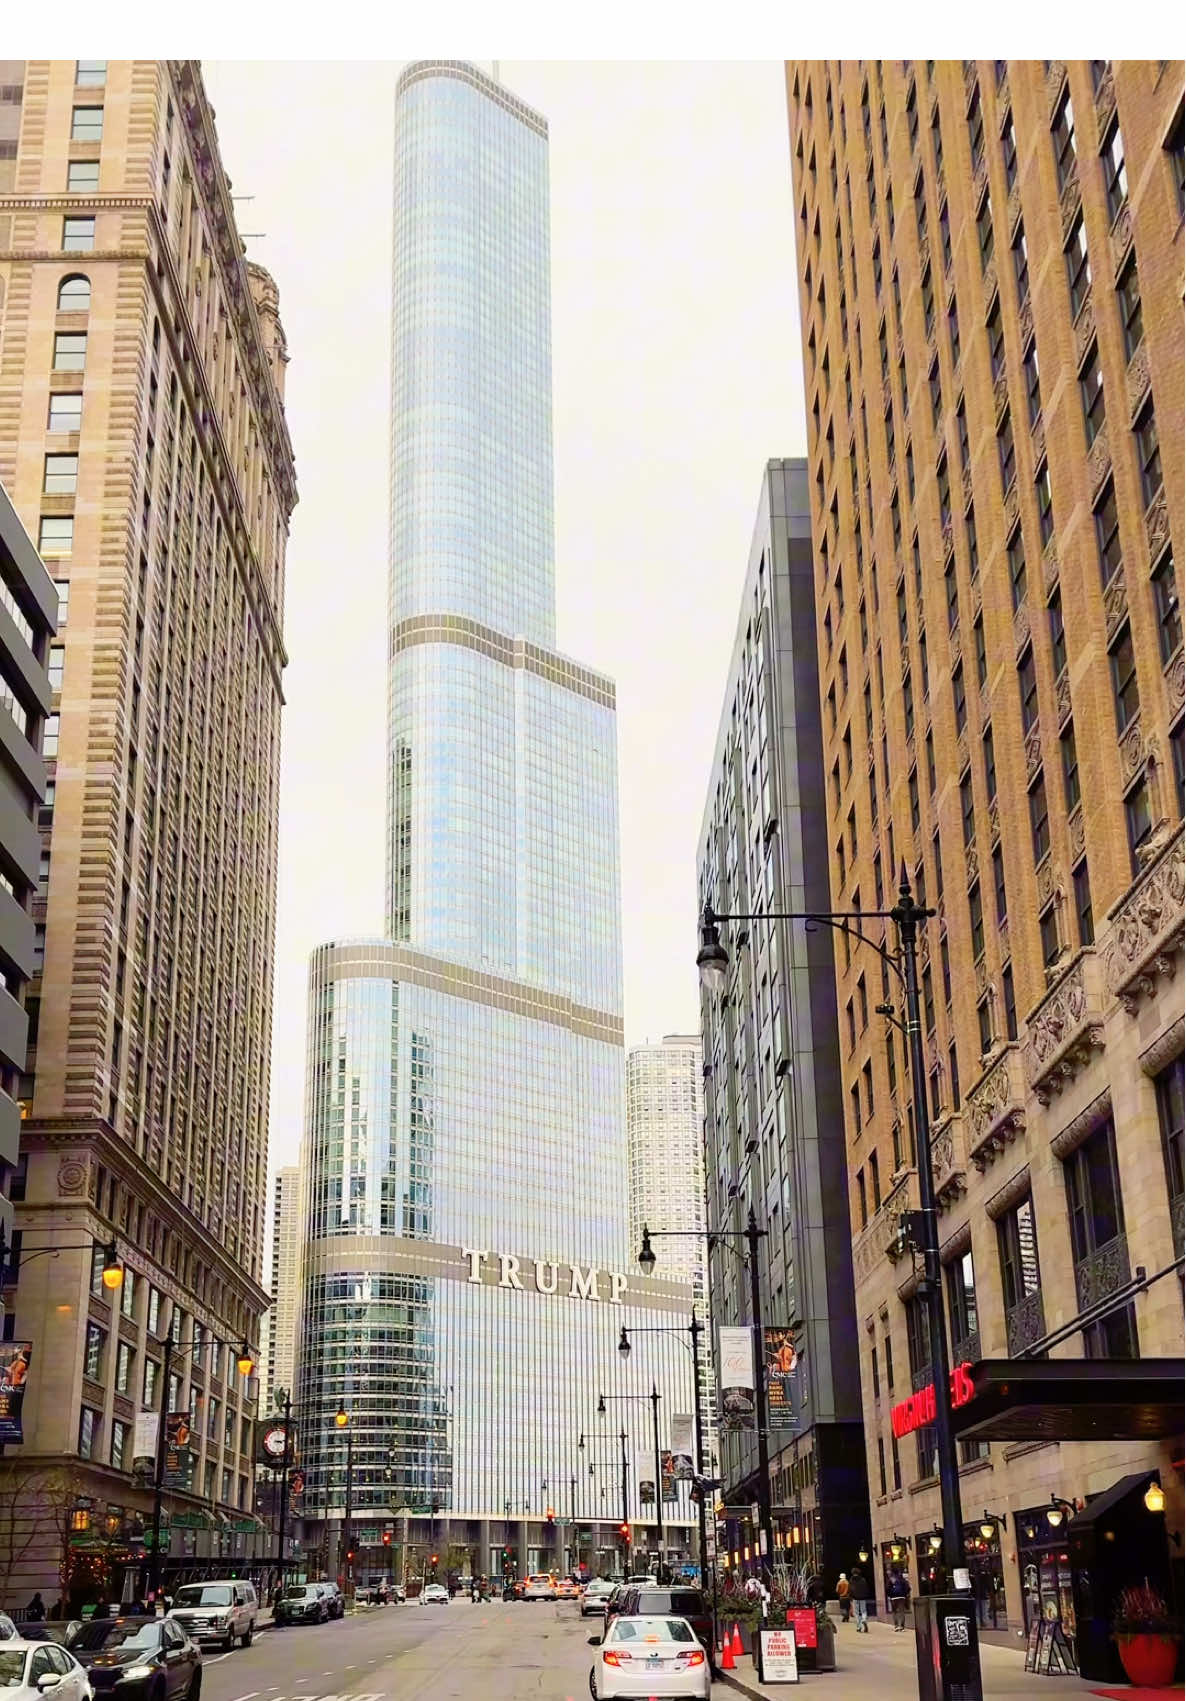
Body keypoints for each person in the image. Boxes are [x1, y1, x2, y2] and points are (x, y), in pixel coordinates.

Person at [850, 1566, 870, 1631]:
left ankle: (859, 1627)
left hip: (855, 1598)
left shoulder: (851, 1580)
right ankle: (864, 1620)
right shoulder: (863, 1580)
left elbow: (850, 1589)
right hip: (862, 1598)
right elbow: (866, 1588)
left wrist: (851, 1597)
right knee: (863, 1611)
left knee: (856, 1613)